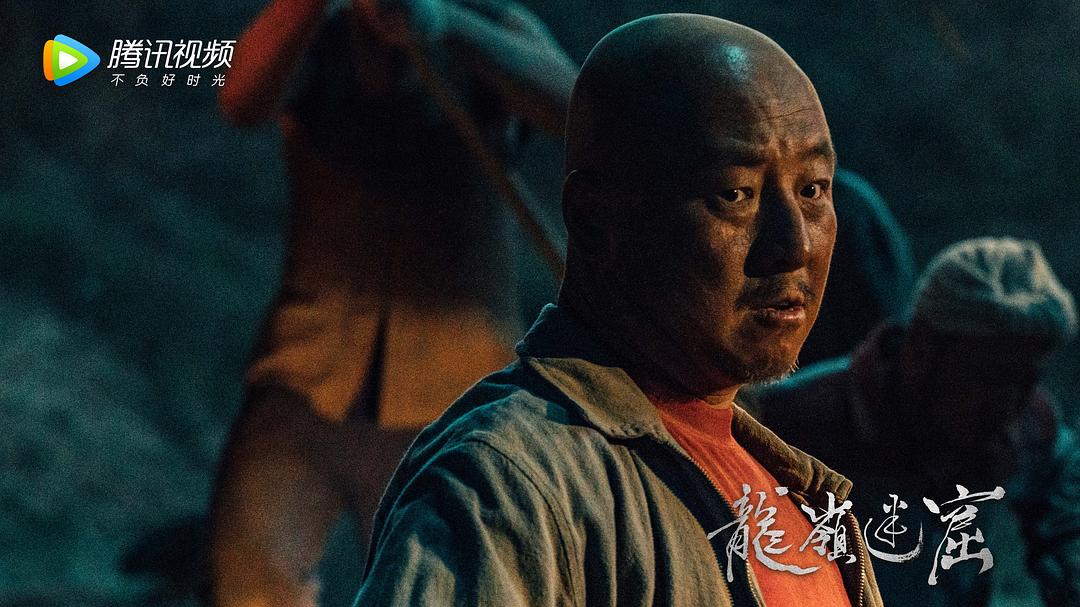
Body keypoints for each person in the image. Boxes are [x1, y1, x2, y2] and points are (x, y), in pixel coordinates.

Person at [353, 13, 883, 606]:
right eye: (736, 194)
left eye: (812, 190)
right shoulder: (508, 488)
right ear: (594, 218)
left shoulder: (800, 497)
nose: (795, 245)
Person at [209, 0, 577, 604]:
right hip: (305, 373)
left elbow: (572, 107)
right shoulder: (319, 34)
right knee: (251, 573)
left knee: (457, 587)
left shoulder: (493, 23)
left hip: (457, 390)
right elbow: (241, 99)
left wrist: (451, 27)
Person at [742, 237, 1080, 606]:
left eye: (1027, 379)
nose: (1011, 404)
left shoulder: (1027, 426)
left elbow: (1066, 502)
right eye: (989, 377)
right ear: (922, 347)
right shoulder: (784, 427)